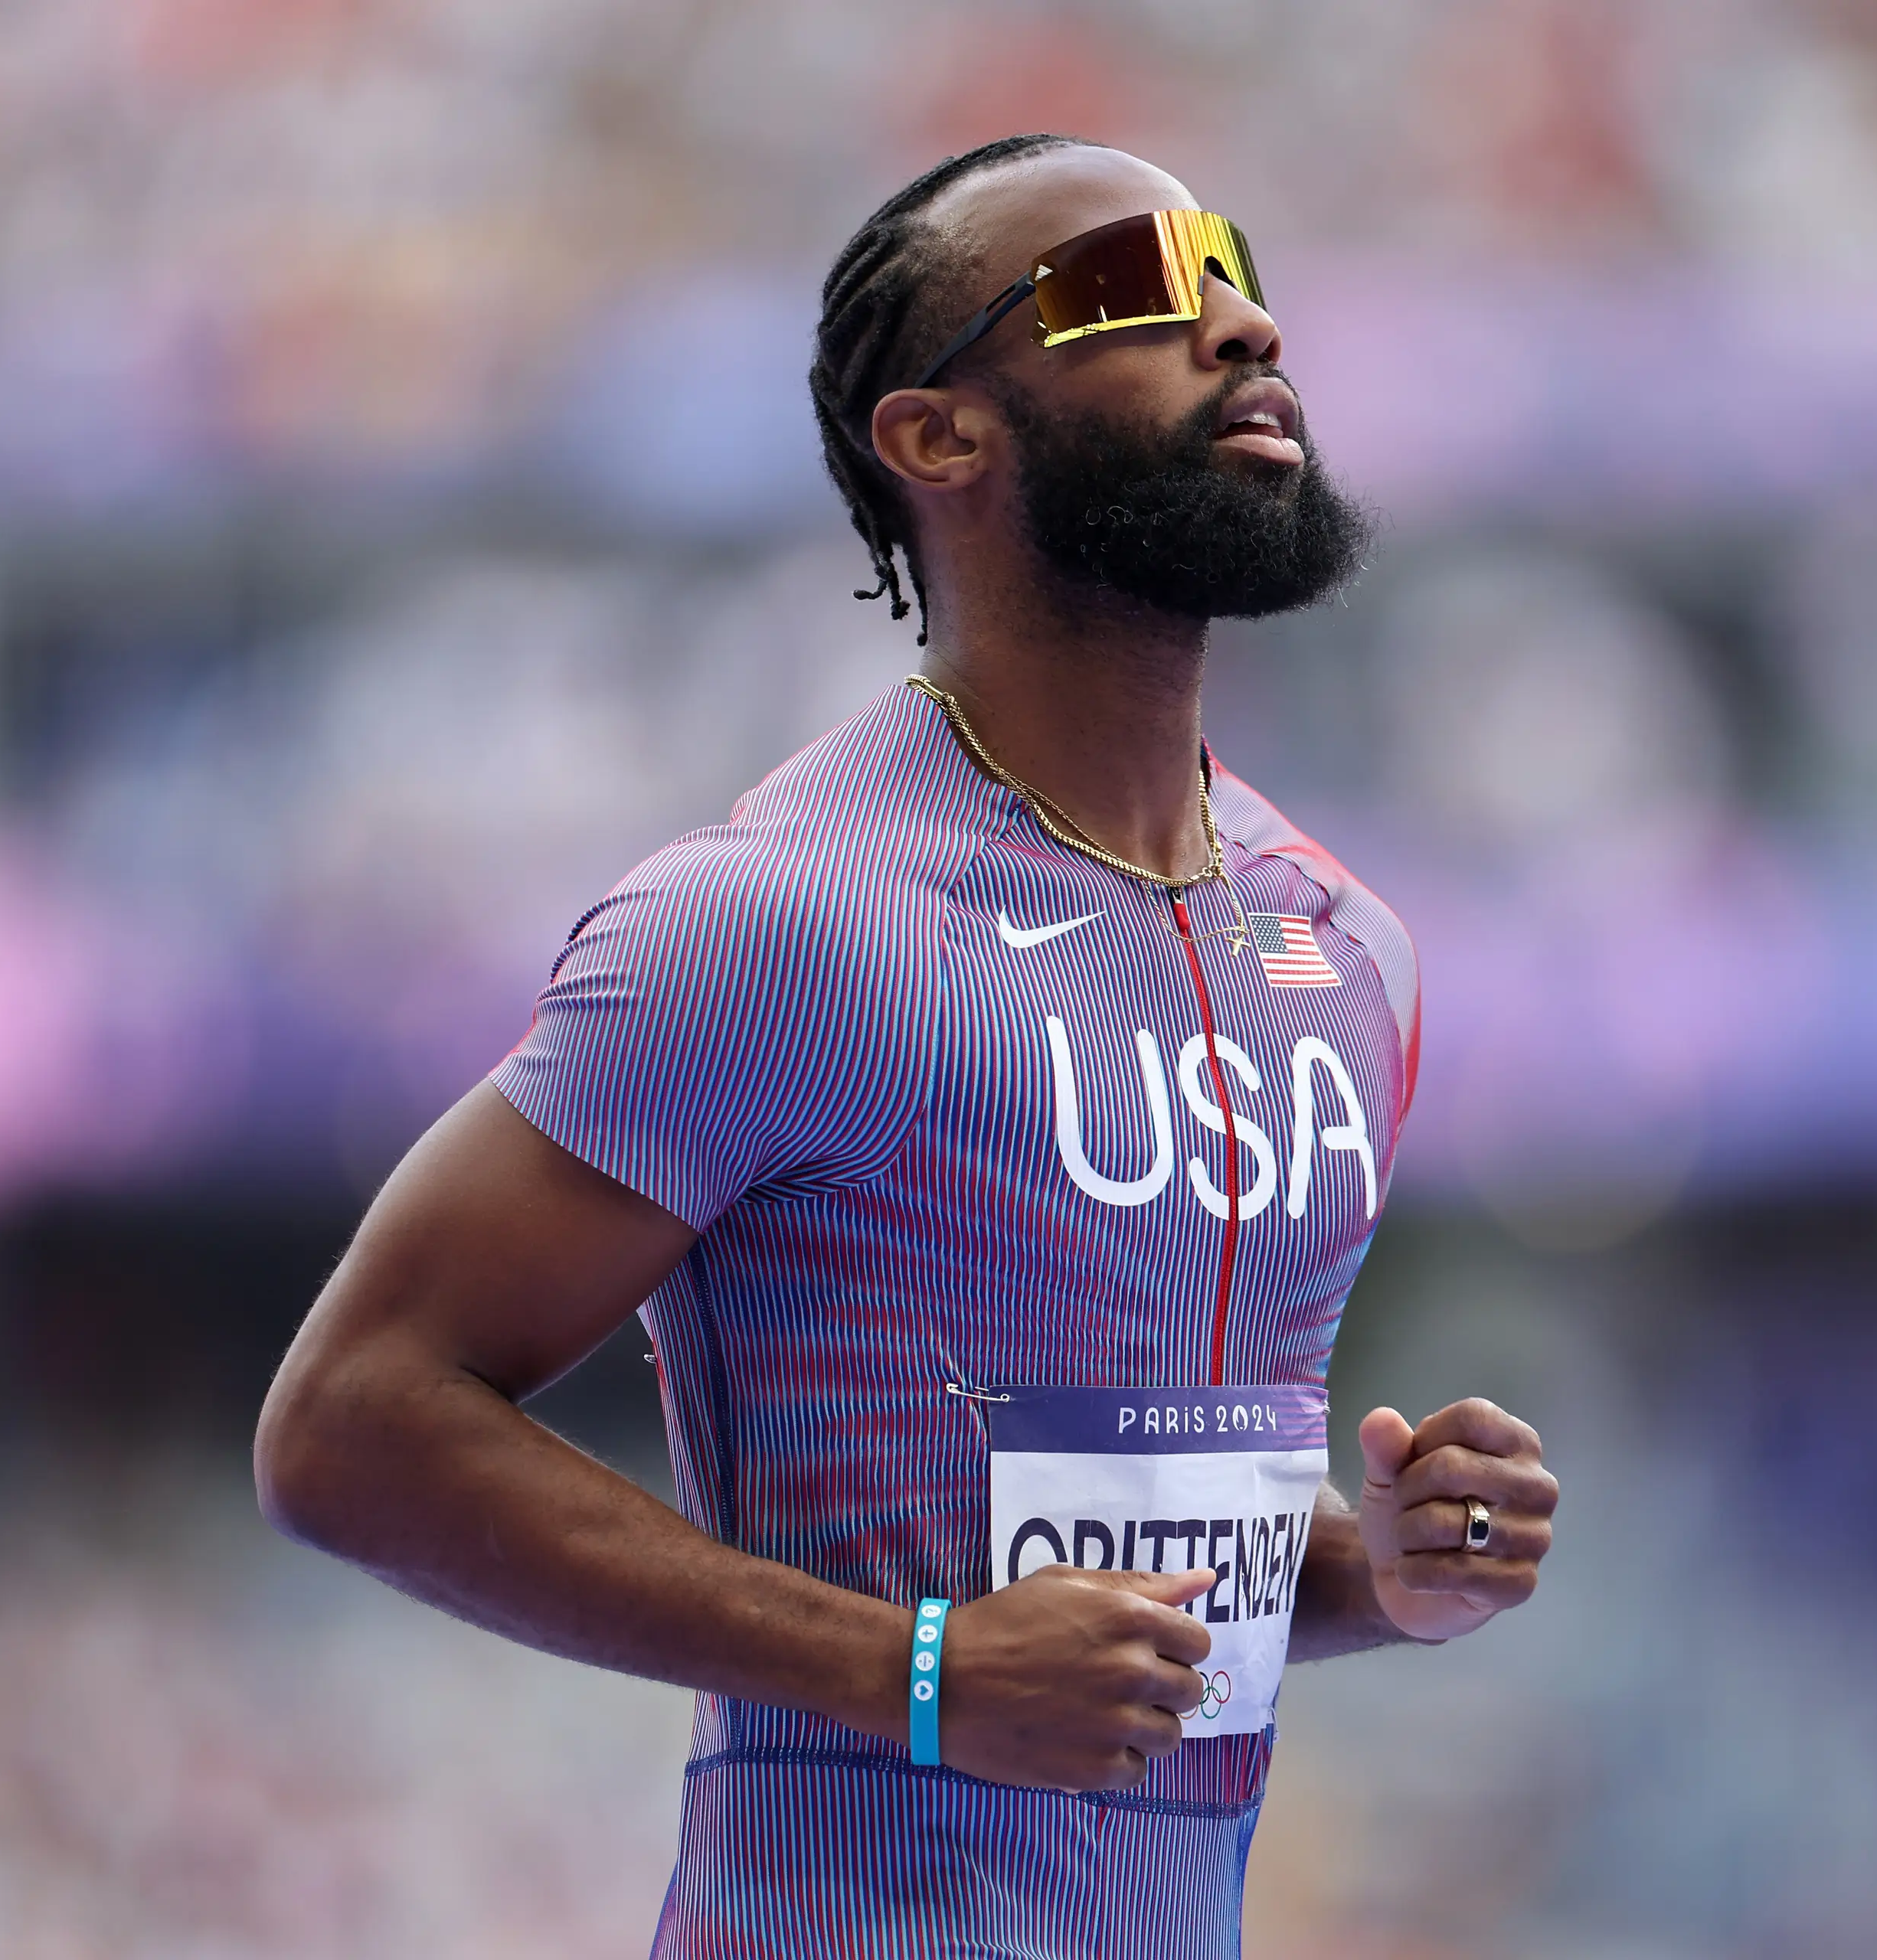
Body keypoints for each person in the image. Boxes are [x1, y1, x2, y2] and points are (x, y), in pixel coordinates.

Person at [254, 132, 1561, 1958]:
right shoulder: (777, 921)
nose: (1247, 326)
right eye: (1135, 290)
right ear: (940, 436)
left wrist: (1393, 1573)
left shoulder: (1349, 955)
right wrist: (915, 1672)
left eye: (1239, 273)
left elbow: (1140, 1572)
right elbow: (345, 1425)